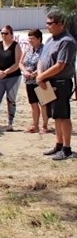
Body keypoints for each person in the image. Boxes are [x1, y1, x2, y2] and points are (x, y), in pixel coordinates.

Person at [37, 11, 76, 161]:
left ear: (60, 24)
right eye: (46, 23)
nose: (47, 26)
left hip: (60, 83)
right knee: (55, 116)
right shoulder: (50, 40)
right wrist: (40, 75)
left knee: (63, 116)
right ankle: (58, 144)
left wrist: (42, 76)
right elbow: (42, 59)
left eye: (50, 23)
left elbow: (60, 65)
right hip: (47, 82)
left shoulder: (67, 41)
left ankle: (66, 148)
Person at [19, 29, 48, 133]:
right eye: (29, 38)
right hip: (28, 81)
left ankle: (44, 126)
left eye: (32, 38)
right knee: (33, 104)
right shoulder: (27, 49)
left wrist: (34, 73)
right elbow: (20, 63)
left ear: (39, 39)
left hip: (40, 80)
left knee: (43, 103)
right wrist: (25, 72)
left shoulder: (45, 49)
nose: (30, 40)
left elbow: (45, 65)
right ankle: (35, 125)